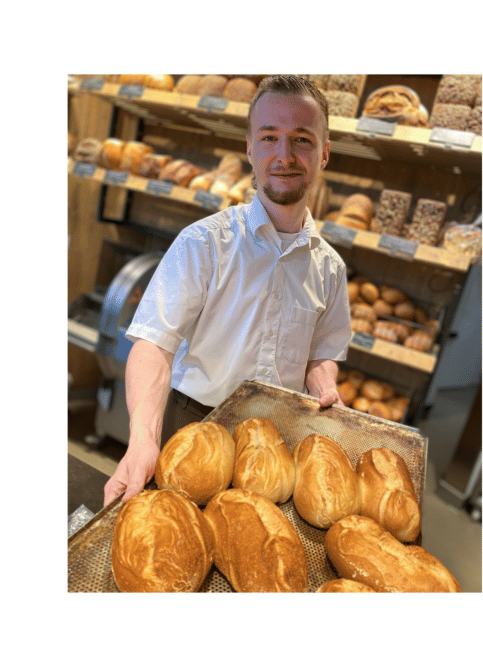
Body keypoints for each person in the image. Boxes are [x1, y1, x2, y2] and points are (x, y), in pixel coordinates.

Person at [103, 75, 352, 507]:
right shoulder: (204, 243)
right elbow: (154, 345)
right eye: (270, 137)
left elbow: (321, 352)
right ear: (251, 150)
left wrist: (322, 381)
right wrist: (143, 438)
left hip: (278, 440)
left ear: (325, 153)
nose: (284, 155)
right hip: (193, 425)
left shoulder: (330, 269)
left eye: (302, 140)